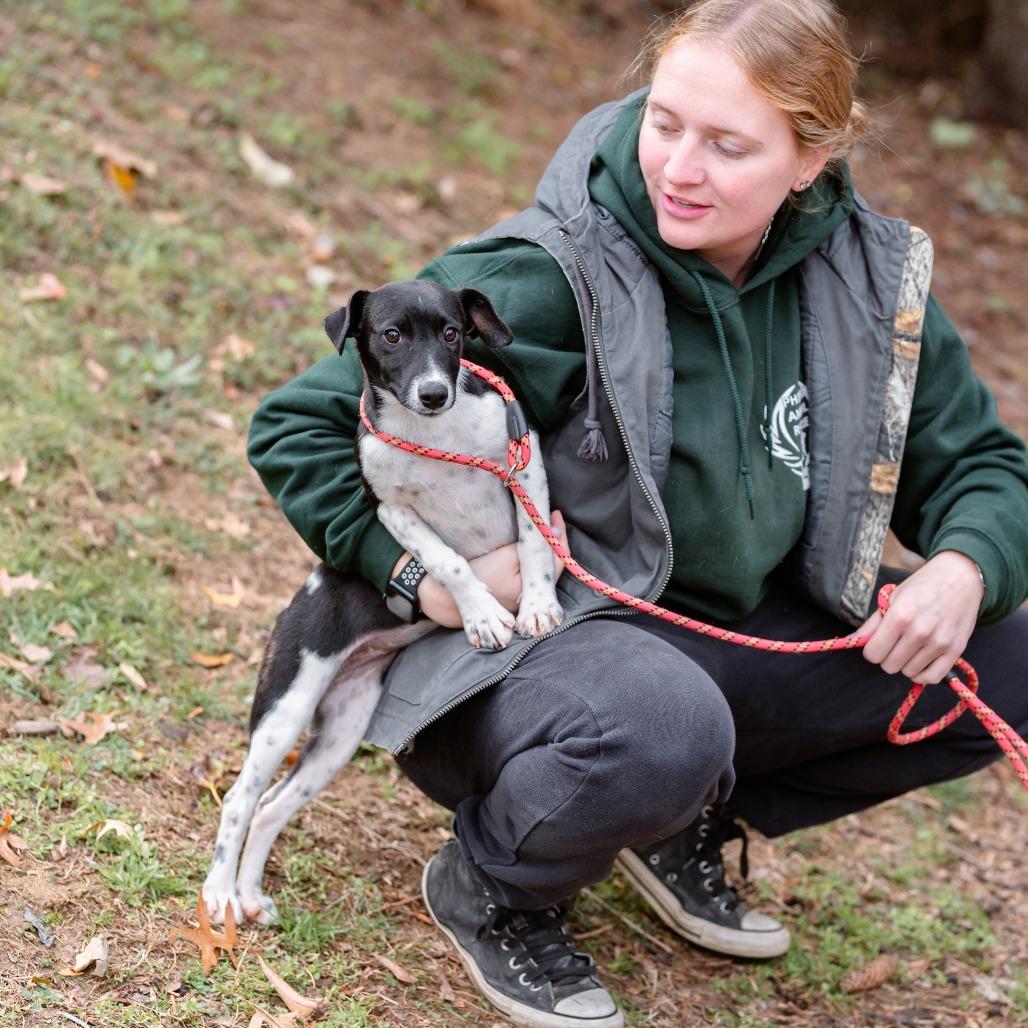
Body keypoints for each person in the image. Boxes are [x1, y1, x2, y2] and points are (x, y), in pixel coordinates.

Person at [247, 1, 1028, 1024]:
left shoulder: (866, 282)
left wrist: (962, 564)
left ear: (810, 158)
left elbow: (982, 464)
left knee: (1008, 658)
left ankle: (676, 816)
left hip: (728, 638)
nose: (679, 168)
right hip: (540, 652)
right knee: (659, 724)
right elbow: (296, 425)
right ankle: (495, 882)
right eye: (665, 123)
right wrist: (417, 580)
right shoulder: (552, 269)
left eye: (725, 145)